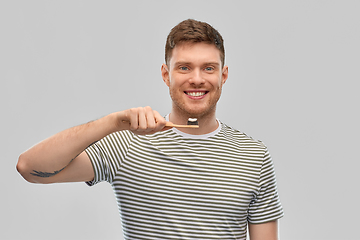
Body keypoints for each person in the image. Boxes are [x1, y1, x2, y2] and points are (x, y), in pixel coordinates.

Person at [17, 19, 284, 240]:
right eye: (184, 67)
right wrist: (112, 123)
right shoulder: (126, 144)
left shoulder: (254, 156)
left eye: (209, 68)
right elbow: (29, 167)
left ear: (223, 75)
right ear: (166, 74)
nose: (197, 79)